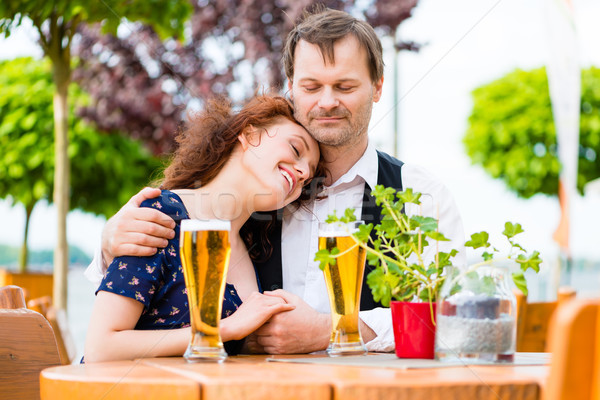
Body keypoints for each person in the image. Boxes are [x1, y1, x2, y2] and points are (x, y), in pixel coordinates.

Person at [86, 6, 465, 355]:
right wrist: (108, 244)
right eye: (312, 87)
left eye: (345, 87)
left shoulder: (419, 196)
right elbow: (170, 246)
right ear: (292, 87)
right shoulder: (262, 196)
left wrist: (335, 329)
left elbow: (455, 319)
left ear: (378, 87)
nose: (327, 101)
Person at [83, 94, 321, 362]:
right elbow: (99, 349)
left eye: (309, 175)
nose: (302, 173)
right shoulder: (162, 214)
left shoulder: (255, 252)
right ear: (249, 134)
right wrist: (223, 330)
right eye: (296, 150)